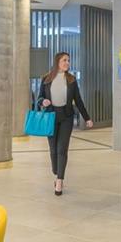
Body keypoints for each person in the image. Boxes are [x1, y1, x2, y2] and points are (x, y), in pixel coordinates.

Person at [36, 52, 92, 196]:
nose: (67, 63)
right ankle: (57, 171)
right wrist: (43, 101)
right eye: (64, 60)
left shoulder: (72, 80)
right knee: (53, 150)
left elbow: (78, 100)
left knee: (62, 149)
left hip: (66, 117)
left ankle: (59, 180)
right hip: (50, 117)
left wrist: (87, 118)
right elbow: (39, 98)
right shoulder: (46, 79)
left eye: (68, 60)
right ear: (57, 62)